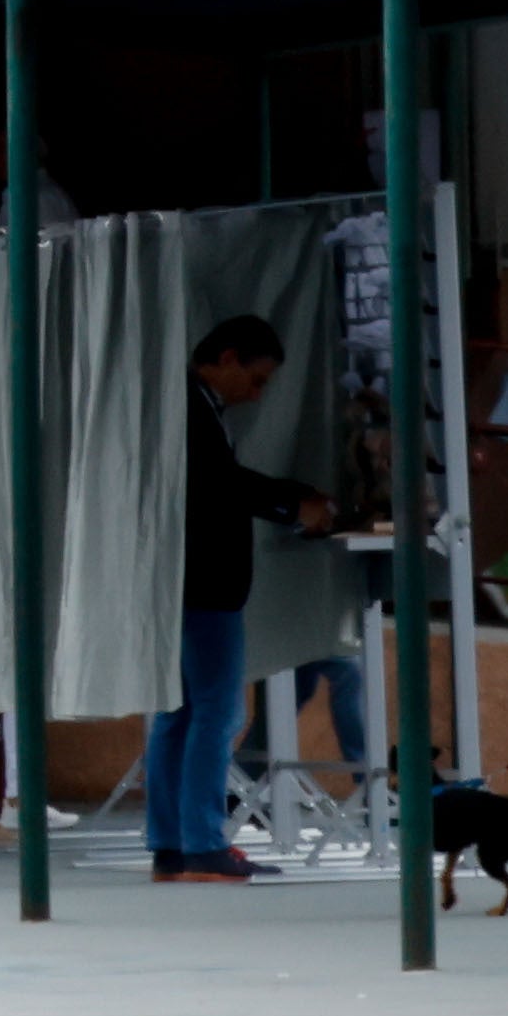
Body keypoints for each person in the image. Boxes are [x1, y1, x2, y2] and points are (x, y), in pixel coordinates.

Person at [149, 316, 337, 884]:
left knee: (177, 711)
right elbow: (217, 483)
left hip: (183, 579)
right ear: (227, 358)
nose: (256, 394)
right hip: (206, 580)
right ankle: (203, 842)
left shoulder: (188, 403)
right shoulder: (190, 406)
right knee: (216, 711)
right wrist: (289, 503)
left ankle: (172, 843)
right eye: (256, 379)